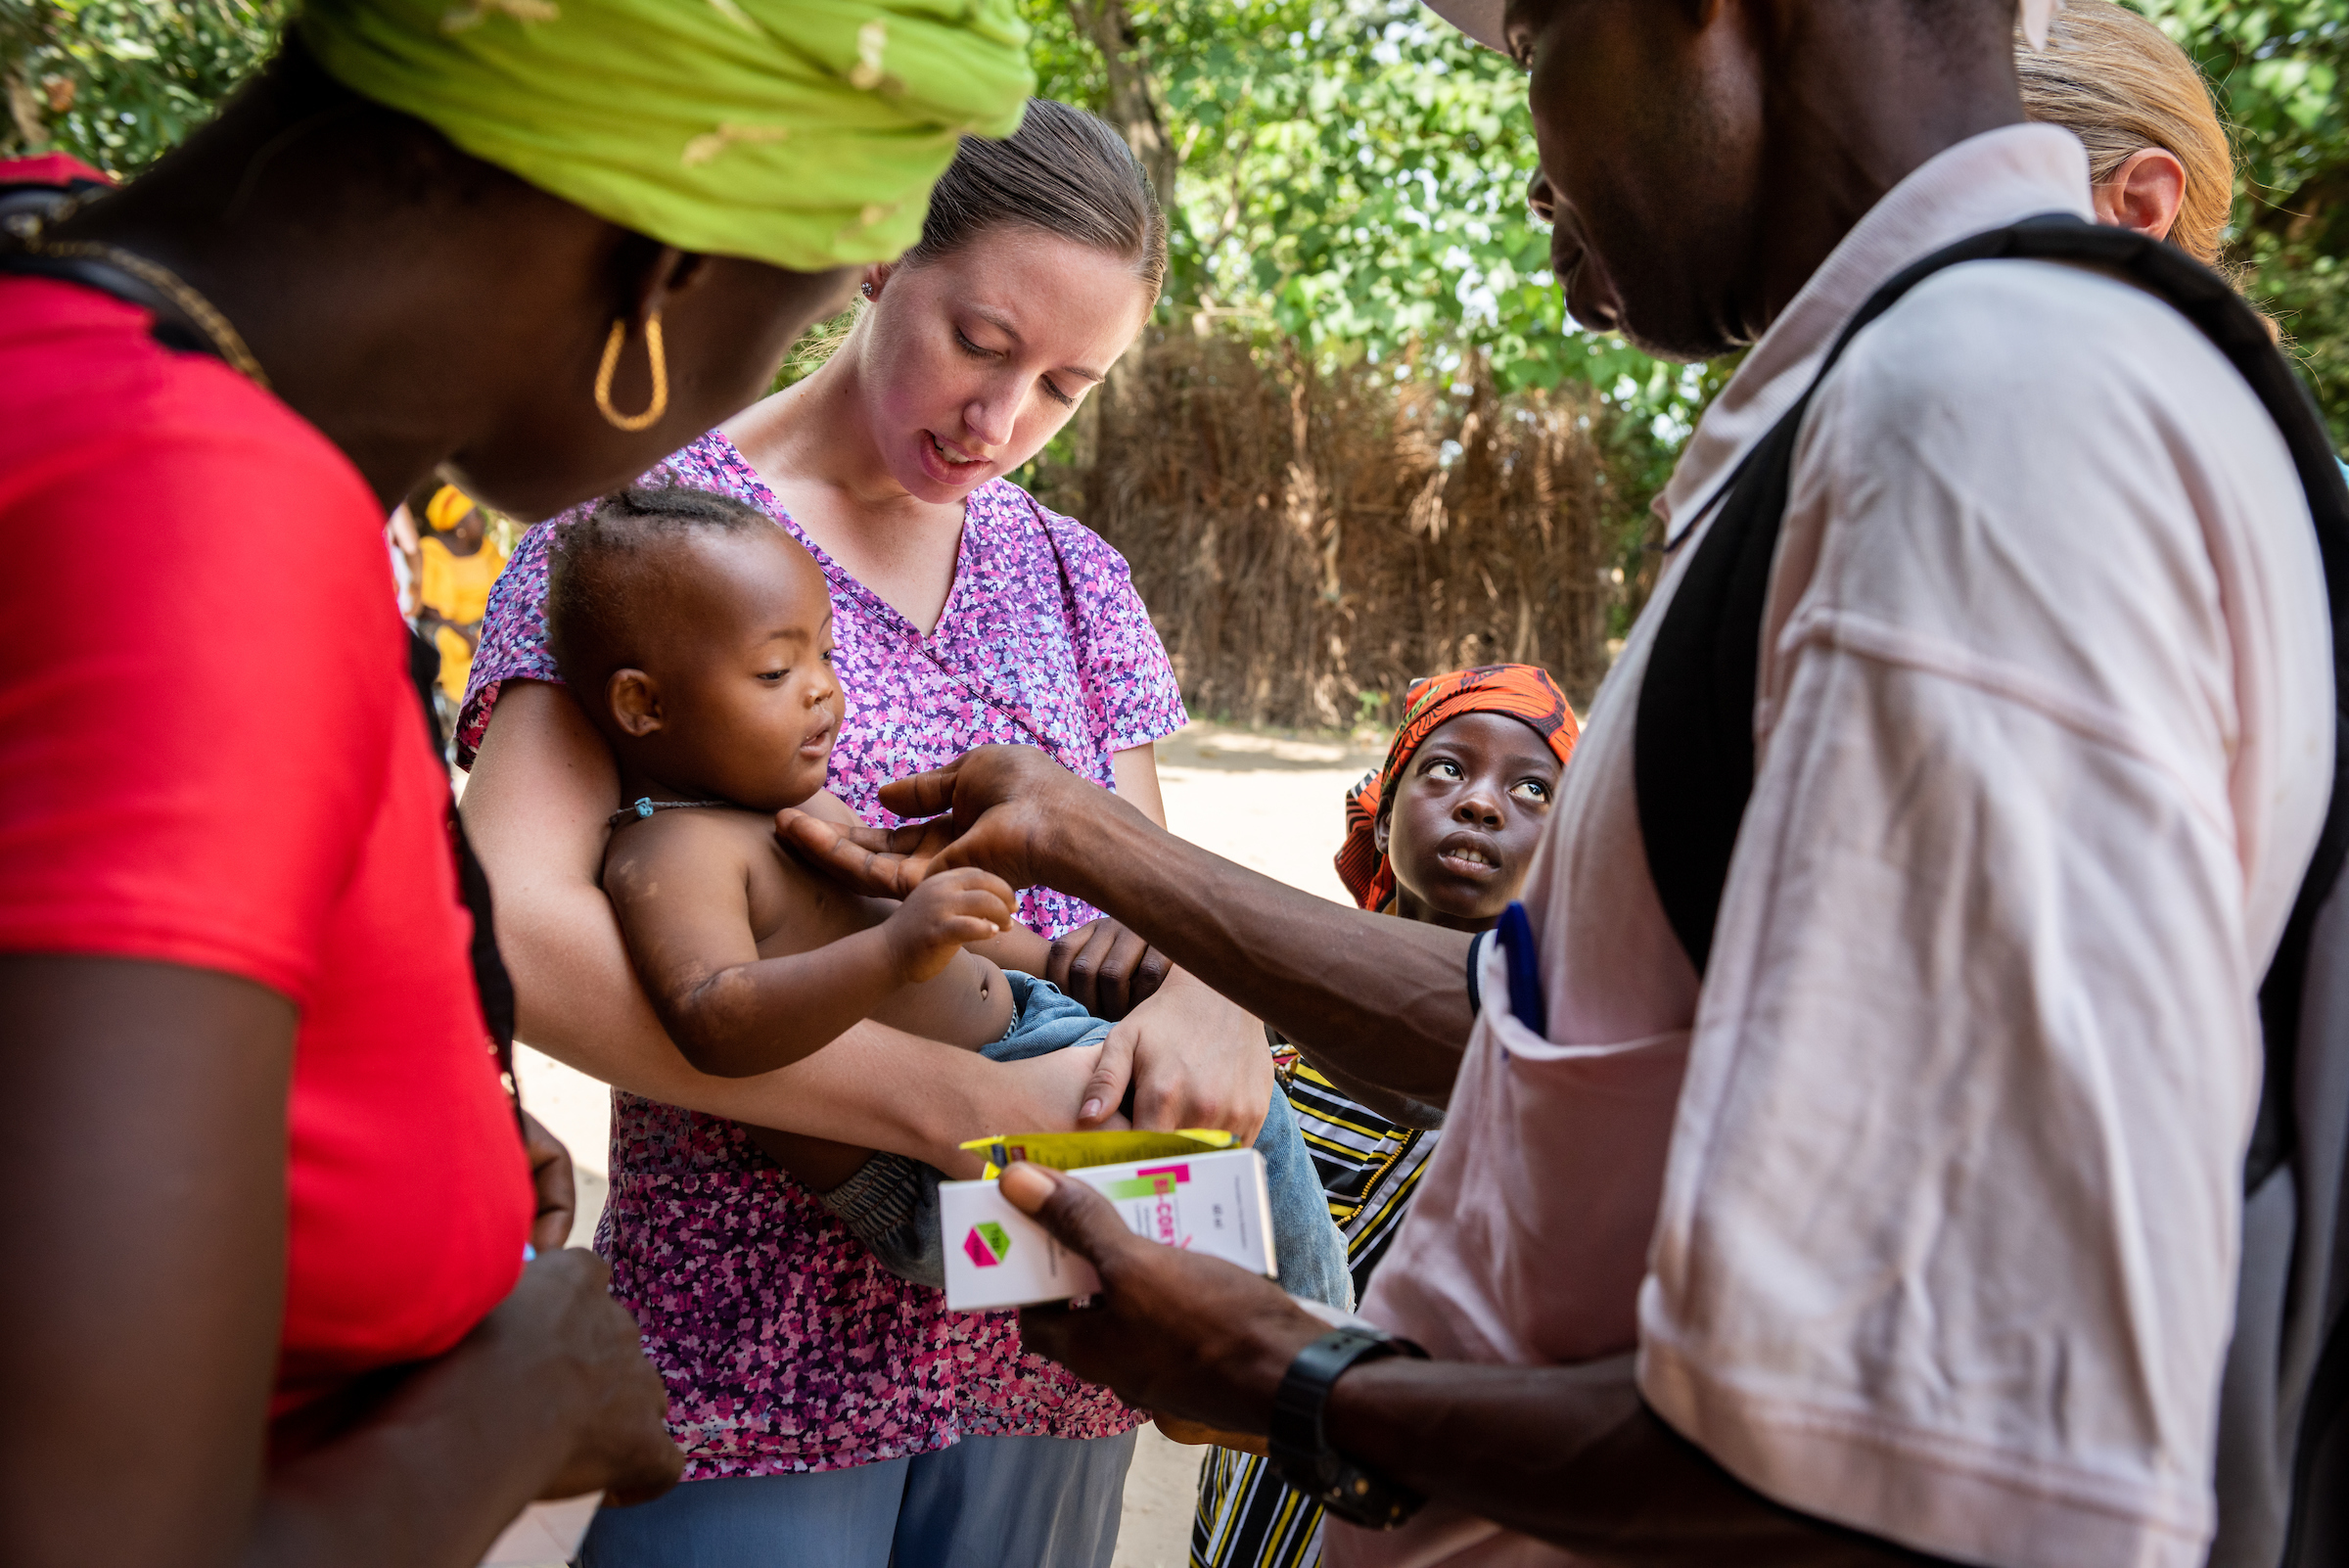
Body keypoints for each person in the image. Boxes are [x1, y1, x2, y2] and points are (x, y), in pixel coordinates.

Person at [776, 0, 2339, 1563]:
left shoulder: (1975, 437)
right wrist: (1101, 844)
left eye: (1533, 46)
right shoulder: (1961, 394)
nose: (1538, 172)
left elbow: (1950, 1423)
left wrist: (1293, 1373)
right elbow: (1589, 1036)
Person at [0, 0, 1032, 1560]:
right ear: (660, 271)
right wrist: (521, 1404)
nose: (743, 395)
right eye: (792, 315)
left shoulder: (70, 312)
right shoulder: (189, 515)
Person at [457, 100, 1271, 1568]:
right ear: (881, 258)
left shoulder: (1076, 581)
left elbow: (1137, 906)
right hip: (758, 1359)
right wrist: (937, 1103)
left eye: (1068, 385)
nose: (1003, 419)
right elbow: (521, 922)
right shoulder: (646, 543)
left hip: (1055, 1343)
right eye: (982, 341)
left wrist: (1214, 998)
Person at [543, 484, 1347, 1299]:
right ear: (643, 704)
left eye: (825, 653)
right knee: (1227, 1140)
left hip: (1031, 1039)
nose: (822, 689)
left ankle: (1255, 1350)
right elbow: (714, 1020)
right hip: (929, 1178)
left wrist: (1061, 965)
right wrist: (896, 950)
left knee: (1200, 1117)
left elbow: (926, 916)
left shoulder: (790, 807)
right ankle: (1327, 1366)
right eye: (777, 669)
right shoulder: (670, 850)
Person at [1193, 664, 1577, 1568]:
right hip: (1244, 1520)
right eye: (1447, 769)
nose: (1482, 804)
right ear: (1388, 799)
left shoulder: (1560, 1069)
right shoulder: (1265, 1032)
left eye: (1532, 790)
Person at [414, 480, 510, 712]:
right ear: (460, 527)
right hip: (450, 625)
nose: (483, 521)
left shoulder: (486, 548)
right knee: (455, 646)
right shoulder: (431, 551)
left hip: (486, 621)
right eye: (476, 516)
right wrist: (466, 636)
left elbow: (506, 587)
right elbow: (427, 608)